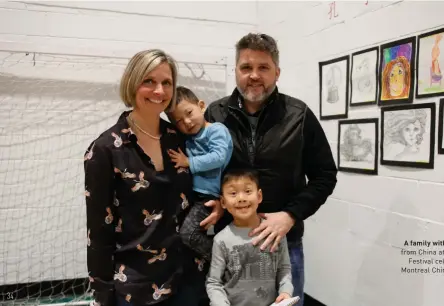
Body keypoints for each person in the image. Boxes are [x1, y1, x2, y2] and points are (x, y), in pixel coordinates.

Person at [205, 33, 338, 305]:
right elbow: (200, 173)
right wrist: (213, 203)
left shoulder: (299, 116)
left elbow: (325, 176)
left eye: (263, 67)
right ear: (236, 71)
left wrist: (290, 215)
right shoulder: (214, 115)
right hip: (229, 245)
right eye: (246, 67)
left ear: (277, 72)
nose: (254, 75)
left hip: (285, 245)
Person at [84, 49, 222, 306]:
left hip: (190, 278)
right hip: (137, 287)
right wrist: (102, 294)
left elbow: (213, 172)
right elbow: (99, 232)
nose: (159, 91)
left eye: (166, 83)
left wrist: (221, 201)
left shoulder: (180, 137)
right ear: (132, 83)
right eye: (149, 81)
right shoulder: (106, 150)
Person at [206, 168, 294, 306]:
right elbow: (214, 282)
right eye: (233, 193)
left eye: (247, 191)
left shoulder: (275, 232)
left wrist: (286, 291)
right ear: (223, 202)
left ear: (259, 196)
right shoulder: (221, 239)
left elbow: (284, 268)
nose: (241, 198)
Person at [166, 86, 233, 264]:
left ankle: (224, 261)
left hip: (208, 197)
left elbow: (219, 157)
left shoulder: (216, 130)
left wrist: (189, 162)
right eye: (179, 121)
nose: (186, 122)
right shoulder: (189, 138)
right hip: (193, 196)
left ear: (201, 106)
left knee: (188, 234)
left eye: (189, 113)